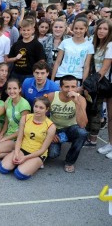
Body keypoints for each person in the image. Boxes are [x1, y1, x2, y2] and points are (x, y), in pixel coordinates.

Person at [0, 97, 56, 180]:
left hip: (37, 153)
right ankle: (20, 162)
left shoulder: (51, 126)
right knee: (3, 169)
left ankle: (36, 163)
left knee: (19, 174)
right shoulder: (25, 118)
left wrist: (25, 158)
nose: (37, 110)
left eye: (41, 108)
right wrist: (16, 153)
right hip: (23, 149)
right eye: (36, 106)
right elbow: (19, 138)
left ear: (47, 109)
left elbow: (43, 150)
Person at [47, 75, 89, 173]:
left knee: (82, 133)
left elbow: (82, 124)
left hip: (71, 128)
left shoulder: (81, 99)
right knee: (52, 154)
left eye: (73, 87)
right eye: (66, 87)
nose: (70, 90)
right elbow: (42, 116)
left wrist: (77, 103)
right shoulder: (52, 96)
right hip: (55, 129)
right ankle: (57, 142)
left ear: (77, 87)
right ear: (60, 87)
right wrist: (50, 132)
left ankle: (70, 162)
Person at [85, 19, 112, 148]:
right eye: (100, 28)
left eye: (105, 29)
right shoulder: (96, 43)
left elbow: (104, 68)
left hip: (102, 83)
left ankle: (94, 139)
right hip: (96, 82)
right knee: (92, 108)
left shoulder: (110, 45)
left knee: (97, 110)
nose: (101, 31)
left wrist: (91, 83)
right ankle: (91, 137)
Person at [51, 18, 94, 83]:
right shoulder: (65, 42)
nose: (78, 31)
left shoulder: (89, 46)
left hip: (77, 77)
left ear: (86, 29)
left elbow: (86, 66)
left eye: (81, 29)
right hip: (61, 75)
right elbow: (57, 62)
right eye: (76, 28)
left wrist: (83, 84)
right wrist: (52, 80)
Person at [7, 19, 46, 83]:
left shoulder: (37, 45)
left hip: (30, 75)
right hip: (16, 73)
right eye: (24, 30)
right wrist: (15, 58)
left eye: (28, 30)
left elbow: (42, 61)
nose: (26, 32)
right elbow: (8, 59)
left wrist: (37, 73)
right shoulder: (17, 44)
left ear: (33, 30)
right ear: (20, 30)